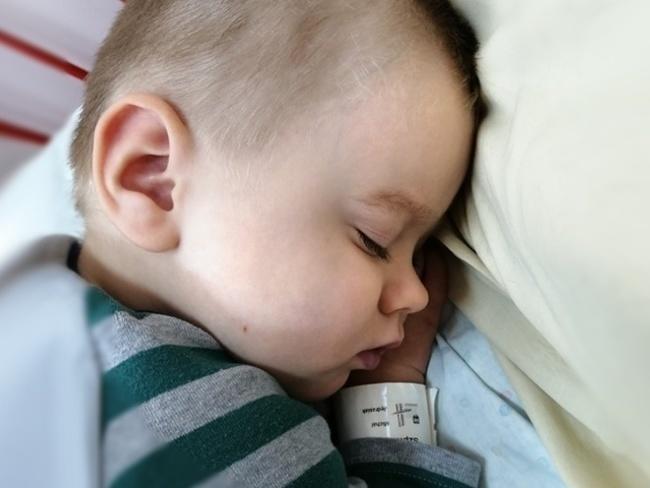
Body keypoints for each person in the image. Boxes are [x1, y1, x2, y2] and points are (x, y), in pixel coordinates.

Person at [3, 0, 484, 486]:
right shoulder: (206, 430)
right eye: (374, 239)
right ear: (153, 179)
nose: (415, 295)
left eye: (416, 255)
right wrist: (391, 397)